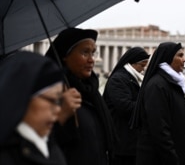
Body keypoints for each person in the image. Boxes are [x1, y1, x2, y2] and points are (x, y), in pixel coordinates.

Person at [45, 28, 116, 165]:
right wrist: (61, 116)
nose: (92, 60)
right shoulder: (49, 93)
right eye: (85, 53)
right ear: (65, 55)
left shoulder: (92, 92)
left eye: (93, 53)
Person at [131, 42, 185, 165]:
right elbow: (160, 129)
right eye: (180, 55)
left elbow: (174, 115)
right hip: (160, 158)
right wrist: (173, 159)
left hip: (175, 151)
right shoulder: (158, 85)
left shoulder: (169, 82)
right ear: (168, 58)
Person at [0, 51, 66, 165]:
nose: (58, 109)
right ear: (23, 99)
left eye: (60, 101)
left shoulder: (50, 146)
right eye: (53, 100)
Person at [103, 47, 150, 165]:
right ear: (133, 63)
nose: (143, 69)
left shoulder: (132, 77)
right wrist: (150, 106)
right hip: (122, 141)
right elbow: (125, 107)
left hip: (131, 141)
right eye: (142, 65)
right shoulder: (118, 79)